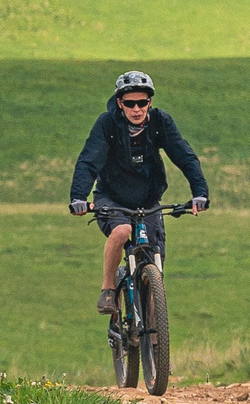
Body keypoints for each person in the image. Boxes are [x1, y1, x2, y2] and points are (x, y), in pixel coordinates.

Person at [68, 70, 210, 313]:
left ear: (149, 102)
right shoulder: (107, 124)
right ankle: (108, 289)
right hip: (112, 198)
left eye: (142, 103)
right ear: (120, 103)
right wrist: (78, 197)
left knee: (154, 259)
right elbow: (89, 162)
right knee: (122, 231)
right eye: (130, 103)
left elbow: (185, 156)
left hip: (148, 200)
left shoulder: (160, 123)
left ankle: (154, 329)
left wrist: (200, 193)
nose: (136, 109)